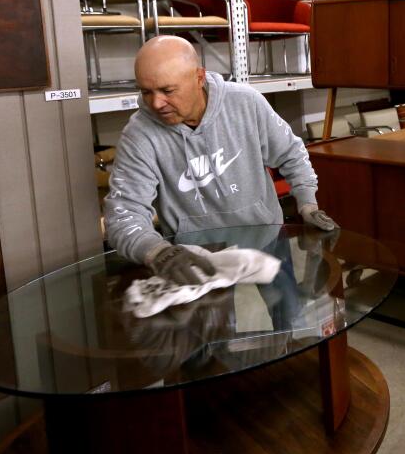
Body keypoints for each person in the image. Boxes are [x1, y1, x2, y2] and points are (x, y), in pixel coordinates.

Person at [104, 36, 336, 285]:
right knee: (217, 324)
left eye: (167, 90)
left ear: (199, 77)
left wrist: (307, 203)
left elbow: (291, 152)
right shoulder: (139, 134)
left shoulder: (246, 103)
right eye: (146, 92)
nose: (157, 103)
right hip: (196, 255)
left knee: (289, 316)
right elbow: (124, 211)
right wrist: (155, 251)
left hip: (266, 235)